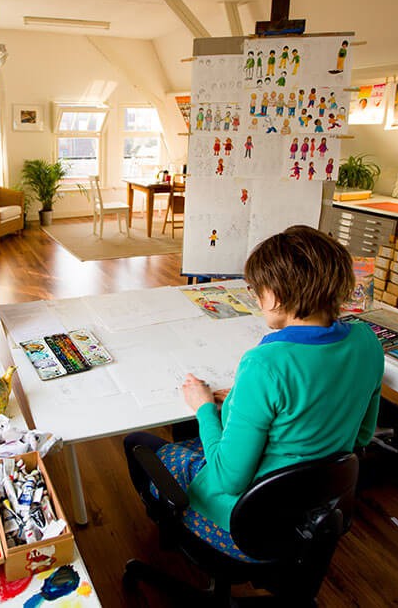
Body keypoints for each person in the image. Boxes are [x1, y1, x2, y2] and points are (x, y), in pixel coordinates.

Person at [124, 226, 383, 560]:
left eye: (257, 290)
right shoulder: (367, 342)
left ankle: (180, 534)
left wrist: (204, 407)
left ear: (274, 293)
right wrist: (246, 399)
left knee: (138, 443)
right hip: (313, 514)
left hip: (247, 526)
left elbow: (229, 479)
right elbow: (361, 435)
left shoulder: (264, 364)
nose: (257, 299)